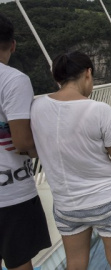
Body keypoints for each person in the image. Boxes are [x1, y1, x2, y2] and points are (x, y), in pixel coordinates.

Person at [30, 51, 111, 270]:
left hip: (67, 204)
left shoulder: (37, 107)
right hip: (108, 200)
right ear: (88, 73)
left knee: (75, 263)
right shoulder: (100, 110)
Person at [0, 13, 51, 270]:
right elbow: (22, 142)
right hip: (10, 194)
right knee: (20, 263)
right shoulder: (13, 80)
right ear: (13, 44)